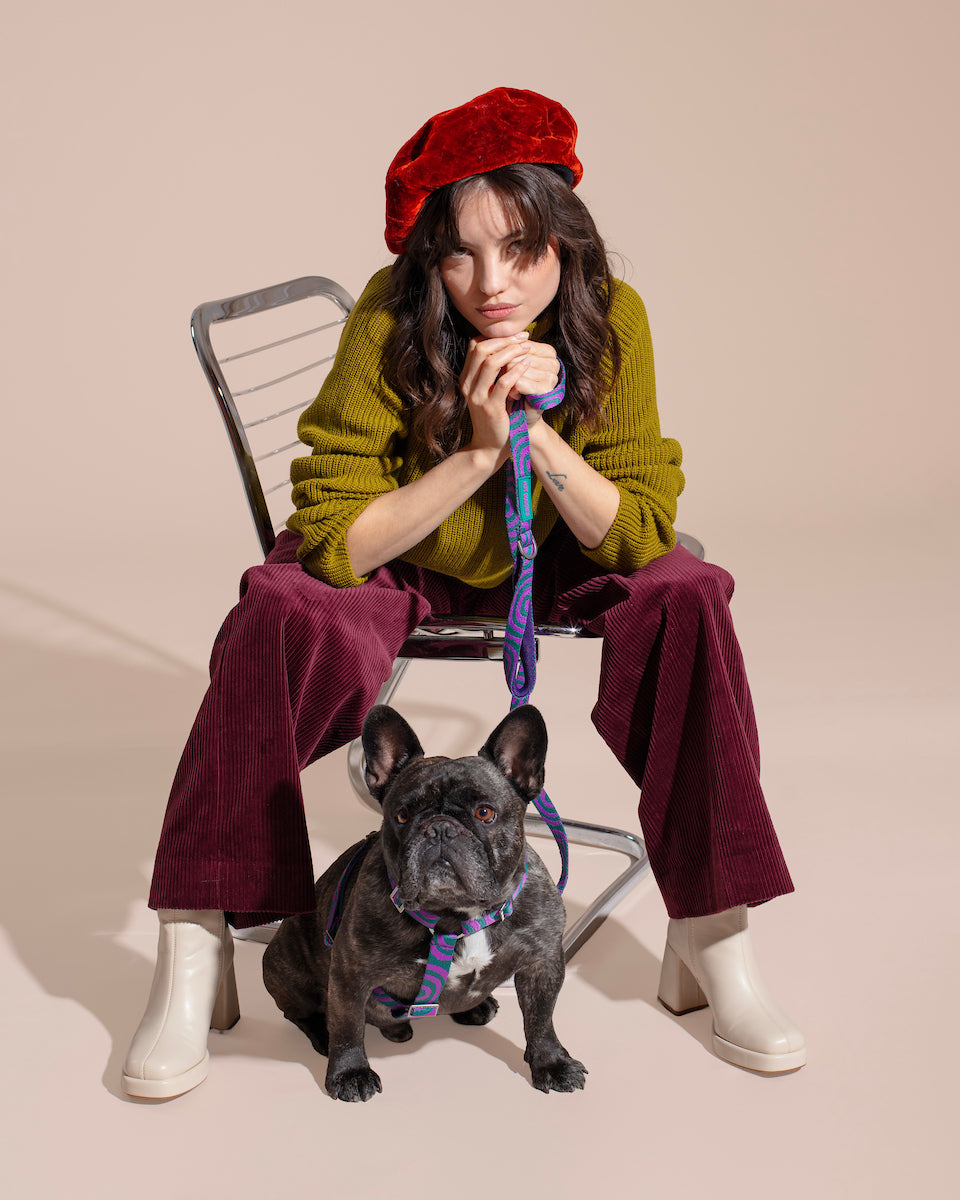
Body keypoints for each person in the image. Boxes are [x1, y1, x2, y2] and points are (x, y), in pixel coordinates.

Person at [122, 87, 805, 1099]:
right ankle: (195, 945)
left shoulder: (614, 317)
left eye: (521, 250)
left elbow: (637, 526)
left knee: (688, 592)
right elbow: (341, 539)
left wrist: (538, 430)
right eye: (461, 254)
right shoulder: (387, 314)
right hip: (409, 539)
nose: (494, 284)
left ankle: (715, 937)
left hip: (561, 540)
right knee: (275, 610)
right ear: (428, 256)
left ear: (564, 244)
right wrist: (482, 452)